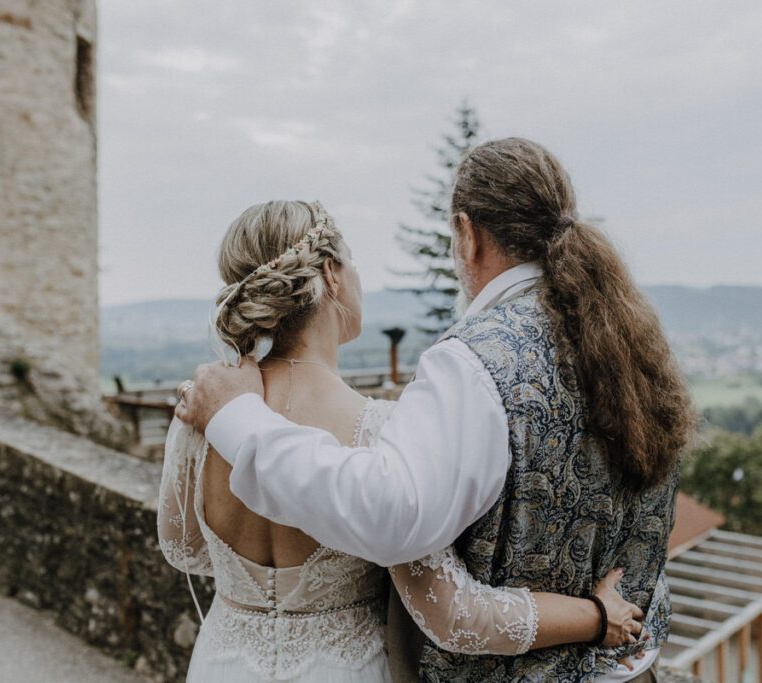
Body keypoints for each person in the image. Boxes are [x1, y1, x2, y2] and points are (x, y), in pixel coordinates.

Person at [177, 138, 696, 682]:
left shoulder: (471, 364)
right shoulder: (632, 344)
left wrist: (238, 417)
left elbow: (395, 523)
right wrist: (597, 615)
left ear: (467, 235)